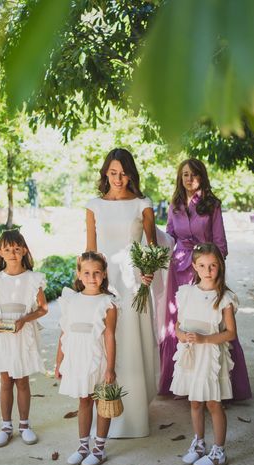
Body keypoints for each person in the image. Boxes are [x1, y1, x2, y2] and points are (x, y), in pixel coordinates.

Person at [159, 158, 251, 400]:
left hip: (206, 268)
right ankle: (182, 383)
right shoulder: (176, 204)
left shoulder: (212, 204)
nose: (189, 179)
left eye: (194, 174)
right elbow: (169, 234)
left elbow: (220, 242)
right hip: (179, 268)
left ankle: (221, 385)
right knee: (182, 321)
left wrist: (214, 270)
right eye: (185, 174)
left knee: (212, 321)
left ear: (202, 176)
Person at [85, 148, 158, 438]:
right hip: (103, 280)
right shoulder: (94, 205)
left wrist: (149, 269)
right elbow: (89, 250)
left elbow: (152, 246)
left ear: (131, 174)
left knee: (131, 342)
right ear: (105, 173)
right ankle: (104, 412)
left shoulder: (143, 203)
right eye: (113, 172)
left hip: (133, 281)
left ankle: (135, 416)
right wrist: (88, 285)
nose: (118, 178)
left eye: (124, 173)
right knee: (105, 343)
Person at [172, 243, 237, 465]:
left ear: (220, 267)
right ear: (194, 267)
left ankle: (218, 450)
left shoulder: (224, 298)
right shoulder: (187, 293)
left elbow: (230, 332)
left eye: (213, 265)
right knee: (195, 401)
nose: (208, 270)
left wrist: (205, 340)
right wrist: (181, 335)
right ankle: (198, 443)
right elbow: (179, 325)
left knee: (213, 402)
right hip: (191, 353)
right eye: (202, 265)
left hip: (209, 354)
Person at [0, 230, 48, 448]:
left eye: (17, 249)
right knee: (5, 381)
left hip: (23, 335)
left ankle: (25, 425)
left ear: (24, 251)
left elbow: (43, 308)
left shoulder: (32, 279)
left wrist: (24, 319)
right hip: (2, 335)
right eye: (7, 249)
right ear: (0, 252)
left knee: (22, 380)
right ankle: (6, 426)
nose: (12, 253)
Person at [55, 251, 118, 465]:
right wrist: (59, 361)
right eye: (87, 273)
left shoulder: (107, 303)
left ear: (104, 274)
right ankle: (83, 446)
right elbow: (64, 333)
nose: (92, 277)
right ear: (79, 274)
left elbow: (109, 335)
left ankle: (99, 448)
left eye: (97, 273)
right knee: (84, 400)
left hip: (97, 357)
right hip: (76, 358)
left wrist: (110, 367)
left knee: (102, 402)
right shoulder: (71, 300)